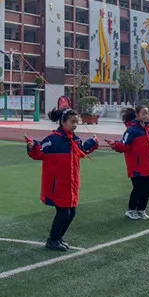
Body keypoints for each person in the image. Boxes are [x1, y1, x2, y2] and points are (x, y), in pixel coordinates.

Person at [25, 107, 99, 251]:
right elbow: (38, 153)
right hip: (58, 185)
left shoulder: (74, 140)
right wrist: (32, 147)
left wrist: (92, 143)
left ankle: (58, 237)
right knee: (64, 213)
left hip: (71, 184)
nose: (75, 125)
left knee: (71, 213)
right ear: (63, 122)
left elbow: (81, 152)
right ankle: (52, 240)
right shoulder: (53, 140)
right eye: (72, 122)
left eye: (76, 122)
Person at [106, 105, 149, 220]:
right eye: (143, 113)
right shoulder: (131, 130)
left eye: (147, 113)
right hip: (137, 167)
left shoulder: (147, 130)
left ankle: (141, 210)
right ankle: (131, 210)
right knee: (138, 189)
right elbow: (124, 145)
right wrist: (115, 145)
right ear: (137, 115)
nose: (146, 115)